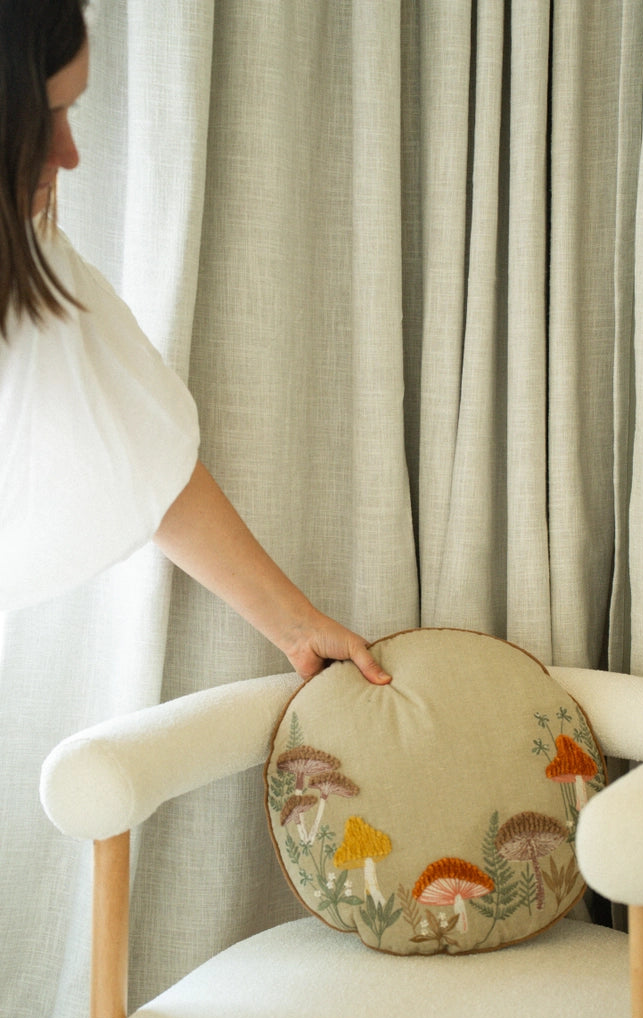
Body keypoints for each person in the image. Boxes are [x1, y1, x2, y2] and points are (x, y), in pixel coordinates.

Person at [0, 0, 390, 685]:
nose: (69, 153)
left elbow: (138, 446)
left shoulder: (29, 253)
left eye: (73, 114)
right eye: (44, 120)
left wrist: (296, 626)